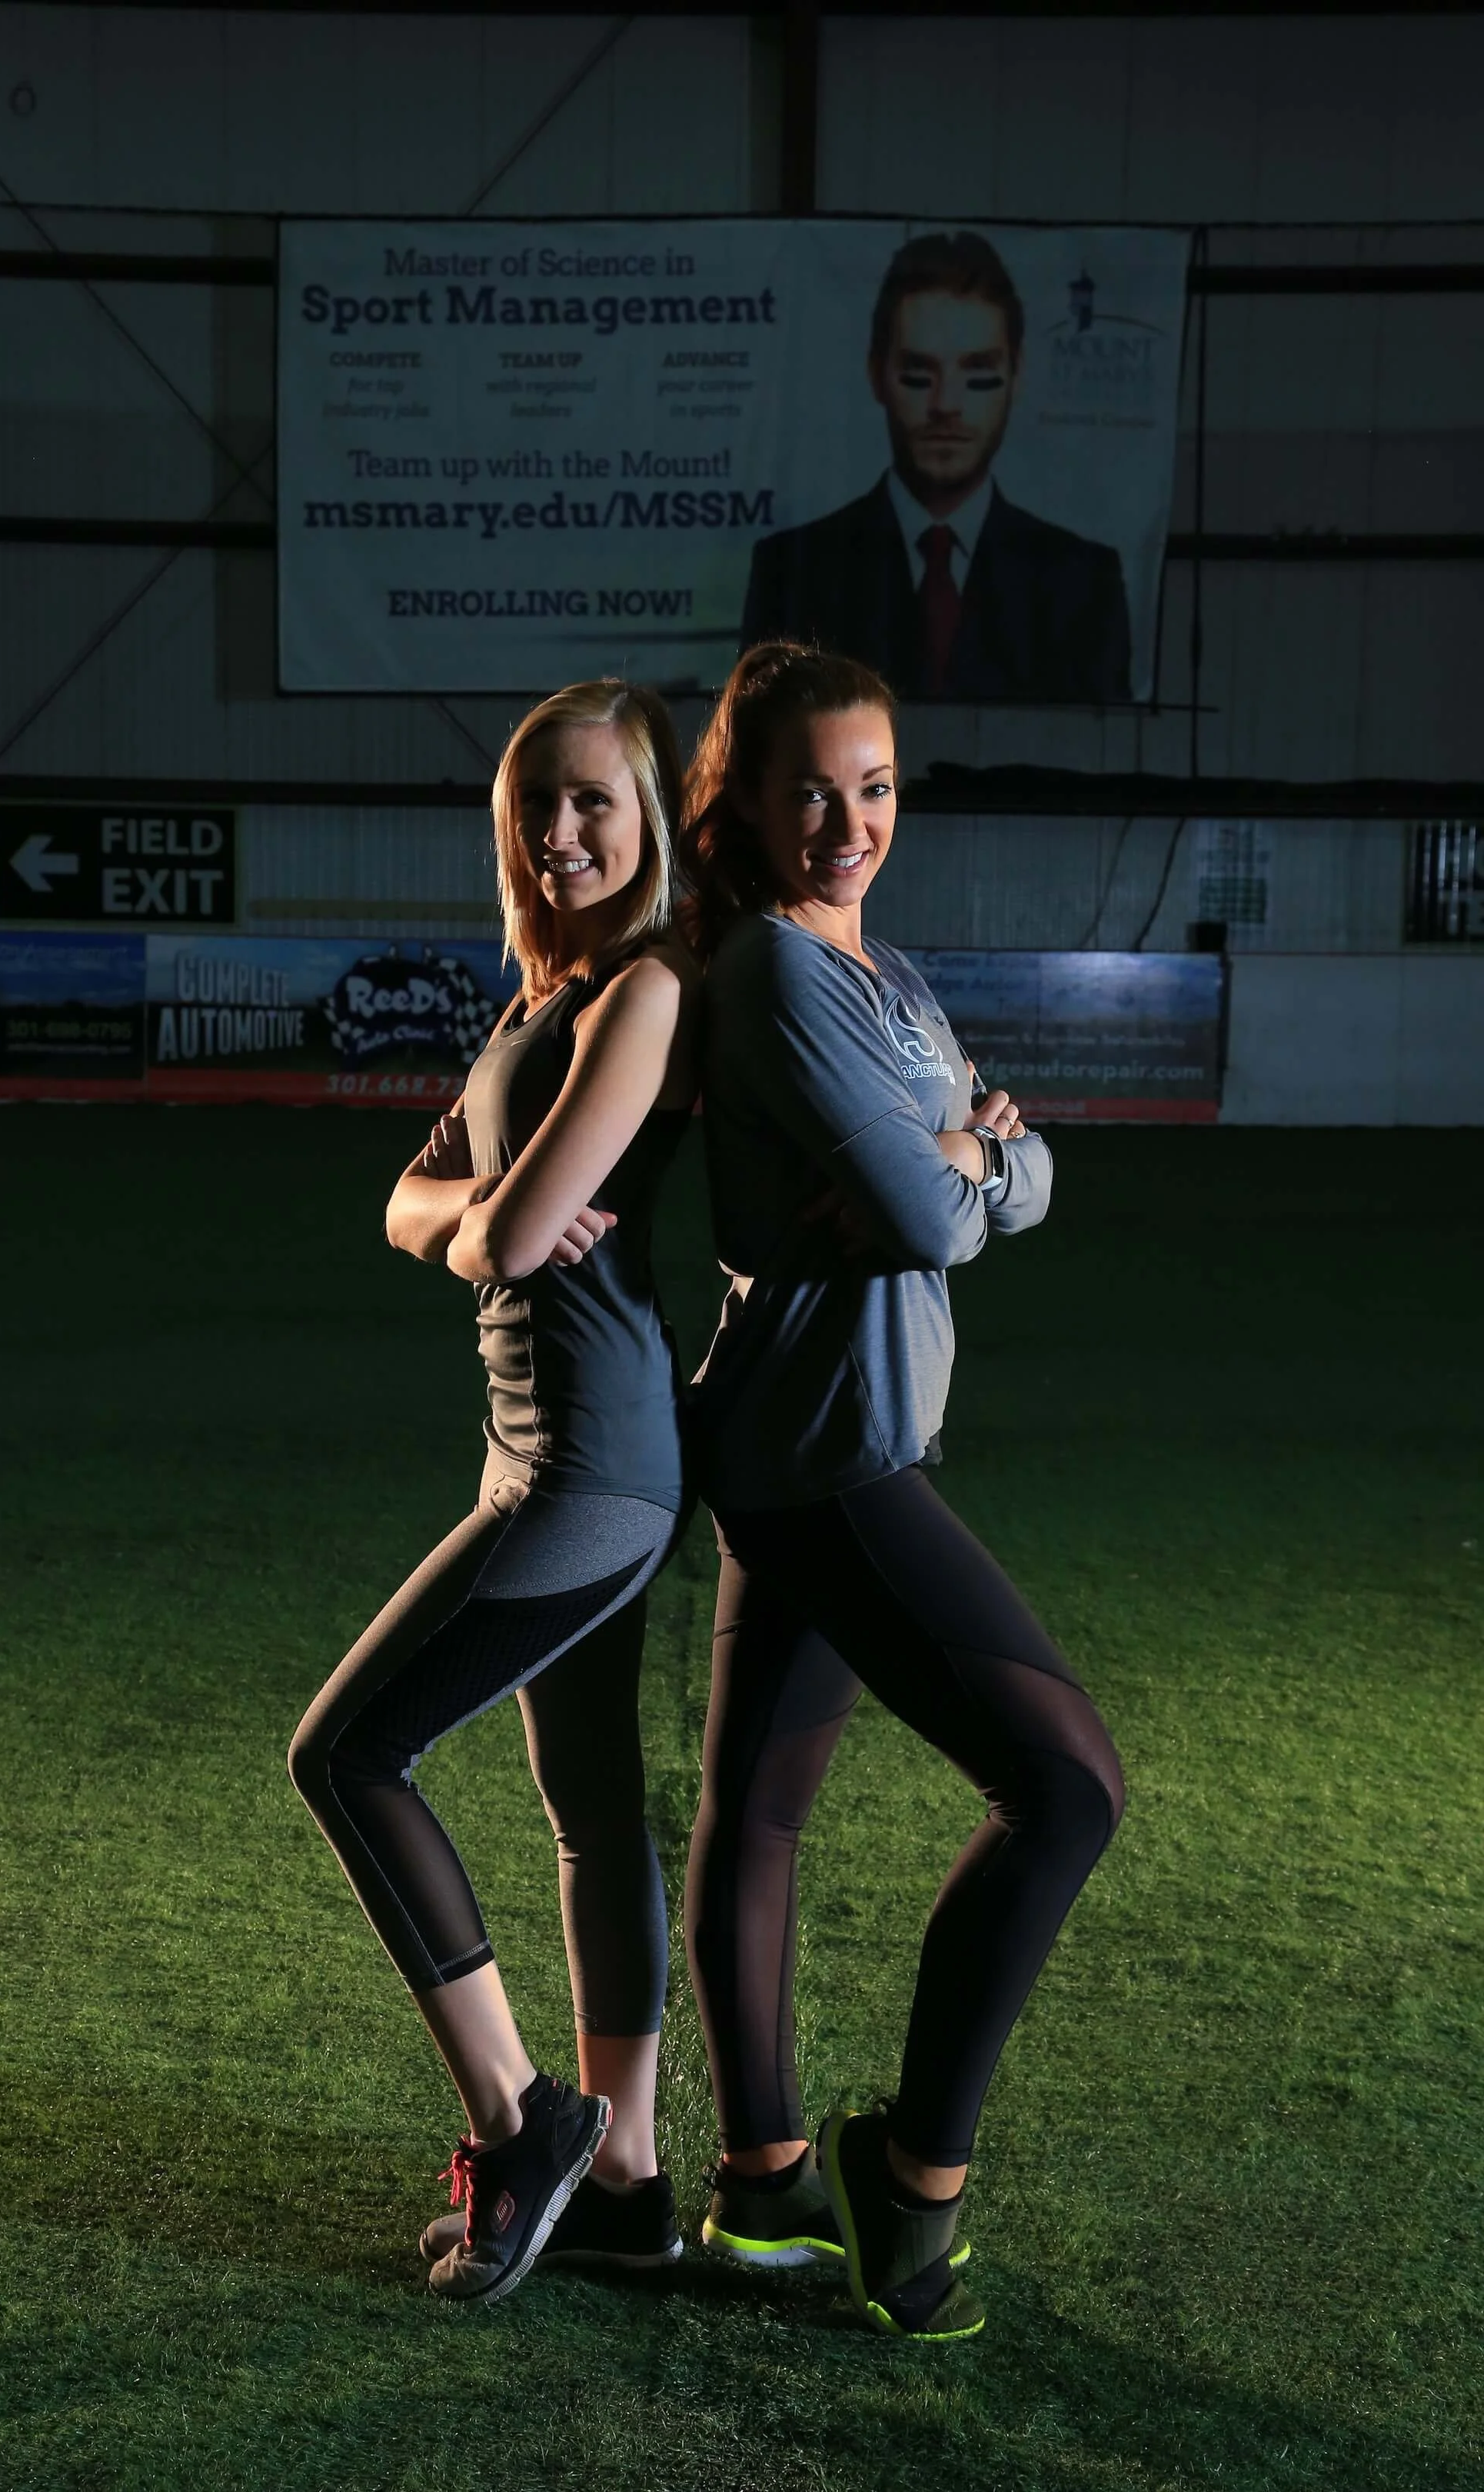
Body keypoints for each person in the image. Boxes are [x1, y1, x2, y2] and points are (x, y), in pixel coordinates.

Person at [678, 642, 1125, 2341]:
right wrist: (965, 1158)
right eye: (812, 790)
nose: (849, 821)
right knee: (1065, 1790)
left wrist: (971, 1154)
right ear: (748, 799)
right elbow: (944, 1215)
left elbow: (1023, 1177)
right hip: (827, 1453)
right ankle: (909, 2184)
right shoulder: (778, 972)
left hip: (830, 1441)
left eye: (873, 787)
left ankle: (764, 2190)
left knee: (758, 1816)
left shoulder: (894, 977)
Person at [288, 679, 702, 2304]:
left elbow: (513, 1237)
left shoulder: (644, 991)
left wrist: (482, 1222)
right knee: (588, 1808)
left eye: (595, 801)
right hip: (531, 1451)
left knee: (347, 1751)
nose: (562, 832)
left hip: (595, 1472)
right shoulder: (540, 1003)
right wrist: (476, 1218)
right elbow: (416, 1206)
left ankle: (523, 2119)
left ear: (649, 819)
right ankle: (629, 2187)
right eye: (539, 806)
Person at [740, 232, 1131, 703]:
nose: (946, 404)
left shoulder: (1083, 583)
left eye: (978, 376)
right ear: (876, 373)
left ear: (1017, 375)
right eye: (918, 375)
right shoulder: (793, 573)